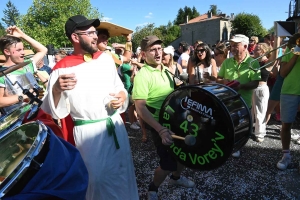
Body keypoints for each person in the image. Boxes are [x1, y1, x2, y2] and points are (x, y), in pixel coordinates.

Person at [42, 15, 139, 199]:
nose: (96, 36)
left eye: (95, 31)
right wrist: (55, 90)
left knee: (123, 172)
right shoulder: (61, 69)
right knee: (96, 181)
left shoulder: (105, 59)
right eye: (90, 33)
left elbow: (118, 86)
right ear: (75, 37)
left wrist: (122, 95)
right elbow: (50, 110)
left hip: (115, 128)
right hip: (89, 137)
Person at [132, 35, 195, 200]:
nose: (158, 52)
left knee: (183, 154)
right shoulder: (143, 75)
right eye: (153, 49)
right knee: (167, 163)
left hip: (175, 120)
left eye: (159, 48)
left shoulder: (165, 69)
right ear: (144, 54)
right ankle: (152, 189)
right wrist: (160, 130)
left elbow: (178, 90)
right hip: (159, 124)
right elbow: (140, 107)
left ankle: (175, 179)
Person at [216, 34, 261, 158]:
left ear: (245, 46)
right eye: (231, 45)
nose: (232, 47)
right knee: (226, 124)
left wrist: (240, 86)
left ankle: (236, 146)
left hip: (243, 101)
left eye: (236, 45)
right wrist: (225, 82)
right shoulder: (227, 62)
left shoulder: (253, 63)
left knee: (240, 126)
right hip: (227, 100)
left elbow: (255, 83)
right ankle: (226, 145)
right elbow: (219, 79)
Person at [0, 26, 48, 115]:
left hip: (38, 112)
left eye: (23, 49)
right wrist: (23, 96)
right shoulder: (1, 74)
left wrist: (22, 35)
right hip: (18, 120)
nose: (23, 52)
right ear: (7, 52)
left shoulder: (28, 65)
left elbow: (43, 50)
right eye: (19, 50)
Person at [276, 36, 300, 170]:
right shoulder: (290, 49)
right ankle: (286, 155)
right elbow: (283, 73)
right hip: (289, 90)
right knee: (286, 125)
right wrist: (296, 53)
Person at [251, 43, 273, 142]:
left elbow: (275, 55)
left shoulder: (267, 62)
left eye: (257, 49)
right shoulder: (253, 61)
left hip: (261, 88)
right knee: (250, 111)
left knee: (260, 112)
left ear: (263, 51)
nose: (254, 51)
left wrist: (277, 38)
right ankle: (249, 128)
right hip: (251, 87)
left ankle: (260, 133)